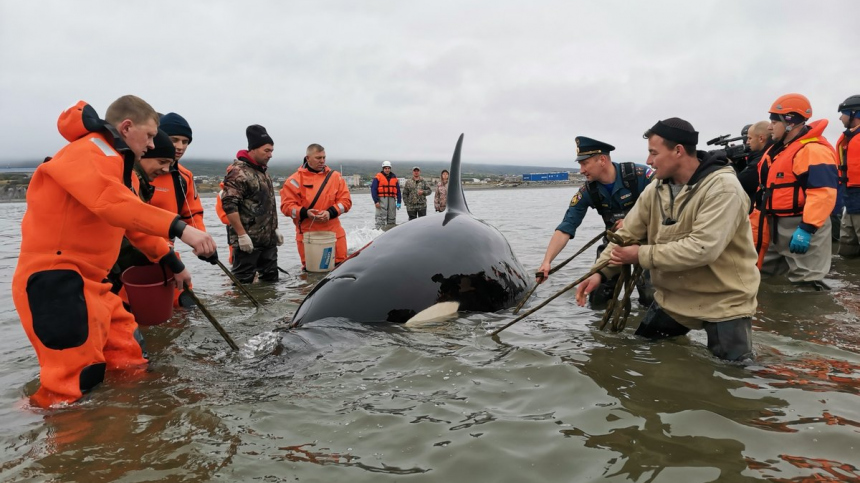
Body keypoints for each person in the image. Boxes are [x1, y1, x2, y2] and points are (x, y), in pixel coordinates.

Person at [12, 97, 216, 407]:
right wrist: (182, 229)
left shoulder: (123, 169)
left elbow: (136, 227)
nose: (152, 146)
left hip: (95, 284)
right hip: (56, 283)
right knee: (71, 385)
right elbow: (111, 203)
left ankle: (122, 439)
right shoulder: (88, 151)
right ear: (126, 127)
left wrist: (175, 263)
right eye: (149, 136)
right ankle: (59, 443)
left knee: (129, 357)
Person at [576, 118, 759, 362]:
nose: (649, 161)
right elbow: (625, 235)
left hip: (724, 301)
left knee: (734, 374)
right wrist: (598, 272)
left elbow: (702, 249)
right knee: (645, 352)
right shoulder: (655, 189)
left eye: (653, 153)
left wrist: (639, 255)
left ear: (678, 151)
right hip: (674, 299)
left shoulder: (724, 188)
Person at [537, 136, 655, 307]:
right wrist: (547, 262)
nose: (581, 170)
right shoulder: (587, 191)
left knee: (652, 297)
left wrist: (634, 221)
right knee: (597, 295)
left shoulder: (640, 175)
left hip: (647, 243)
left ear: (602, 160)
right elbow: (566, 227)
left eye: (585, 163)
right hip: (613, 244)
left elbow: (669, 206)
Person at [756, 93, 839, 287]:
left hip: (803, 225)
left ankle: (812, 316)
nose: (769, 127)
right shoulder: (779, 149)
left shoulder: (812, 150)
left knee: (807, 283)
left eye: (774, 121)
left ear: (790, 123)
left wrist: (807, 228)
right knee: (763, 276)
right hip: (774, 223)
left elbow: (822, 192)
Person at [143, 112, 209, 307]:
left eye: (185, 141)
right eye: (174, 140)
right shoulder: (139, 171)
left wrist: (203, 243)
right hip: (138, 254)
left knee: (185, 306)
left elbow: (193, 214)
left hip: (170, 256)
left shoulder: (184, 177)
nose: (180, 146)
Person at [221, 124, 283, 284]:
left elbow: (267, 205)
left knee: (271, 282)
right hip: (247, 243)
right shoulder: (238, 172)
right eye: (267, 150)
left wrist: (274, 229)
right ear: (253, 149)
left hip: (268, 241)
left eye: (272, 151)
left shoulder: (263, 173)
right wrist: (241, 235)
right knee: (243, 283)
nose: (270, 155)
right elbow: (229, 205)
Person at [280, 144, 352, 269]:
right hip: (308, 236)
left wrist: (330, 212)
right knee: (311, 273)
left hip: (334, 234)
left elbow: (346, 202)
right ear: (307, 158)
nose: (322, 161)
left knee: (340, 269)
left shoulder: (336, 177)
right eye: (318, 158)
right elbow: (286, 207)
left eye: (324, 157)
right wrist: (305, 212)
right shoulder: (294, 180)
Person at [836, 95, 860, 257]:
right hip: (850, 197)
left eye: (843, 113)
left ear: (854, 113)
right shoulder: (850, 137)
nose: (840, 117)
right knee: (847, 246)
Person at [737, 120, 772, 212]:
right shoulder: (770, 153)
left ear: (761, 138)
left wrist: (730, 165)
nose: (747, 142)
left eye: (749, 138)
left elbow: (739, 183)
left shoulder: (761, 158)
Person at [371, 160, 401, 229]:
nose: (387, 170)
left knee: (392, 217)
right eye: (385, 168)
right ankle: (378, 231)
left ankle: (391, 231)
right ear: (383, 169)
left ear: (390, 169)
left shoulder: (394, 178)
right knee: (381, 217)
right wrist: (376, 201)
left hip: (392, 199)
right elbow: (373, 189)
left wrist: (399, 202)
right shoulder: (378, 177)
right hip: (381, 200)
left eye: (388, 168)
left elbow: (398, 191)